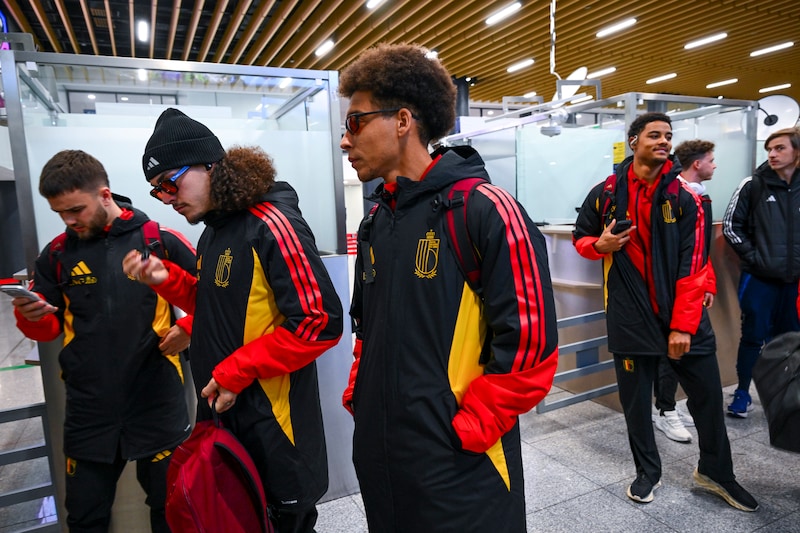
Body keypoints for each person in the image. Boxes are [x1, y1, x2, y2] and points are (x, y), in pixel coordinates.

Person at [338, 43, 559, 532]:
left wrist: (469, 429)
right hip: (383, 454)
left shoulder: (484, 210)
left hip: (461, 464)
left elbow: (532, 349)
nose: (344, 141)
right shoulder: (377, 220)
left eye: (354, 123)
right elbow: (367, 327)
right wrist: (361, 396)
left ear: (402, 120)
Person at [123, 108, 343, 533]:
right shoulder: (213, 232)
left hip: (276, 427)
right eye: (157, 192)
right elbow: (219, 306)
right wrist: (166, 279)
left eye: (170, 182)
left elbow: (319, 322)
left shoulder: (271, 223)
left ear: (211, 165)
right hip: (228, 418)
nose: (167, 198)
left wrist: (234, 372)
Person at [573, 112, 758, 511]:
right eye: (654, 135)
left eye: (668, 136)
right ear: (634, 140)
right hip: (628, 314)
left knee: (707, 396)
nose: (663, 141)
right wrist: (598, 246)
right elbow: (581, 235)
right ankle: (646, 472)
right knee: (636, 403)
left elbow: (693, 265)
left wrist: (682, 327)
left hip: (682, 318)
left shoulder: (686, 196)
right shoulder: (605, 192)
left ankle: (716, 472)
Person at [11, 150, 196, 532]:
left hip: (156, 401)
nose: (69, 220)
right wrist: (31, 317)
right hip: (89, 410)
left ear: (105, 195)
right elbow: (47, 329)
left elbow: (216, 298)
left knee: (171, 509)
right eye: (60, 213)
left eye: (76, 209)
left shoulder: (159, 240)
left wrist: (188, 328)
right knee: (84, 516)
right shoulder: (57, 255)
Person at [722, 127, 800, 417]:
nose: (772, 154)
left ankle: (781, 397)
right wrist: (756, 258)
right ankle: (742, 393)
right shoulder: (753, 185)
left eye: (780, 148)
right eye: (769, 148)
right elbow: (732, 227)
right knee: (753, 338)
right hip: (759, 279)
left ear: (797, 152)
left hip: (793, 281)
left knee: (789, 341)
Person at [650, 139, 718, 442]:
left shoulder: (699, 198)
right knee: (672, 350)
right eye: (711, 160)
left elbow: (699, 251)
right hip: (670, 289)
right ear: (696, 164)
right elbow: (675, 252)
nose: (715, 165)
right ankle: (664, 410)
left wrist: (708, 283)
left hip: (691, 286)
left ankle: (669, 405)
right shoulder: (673, 196)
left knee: (685, 352)